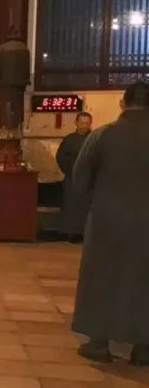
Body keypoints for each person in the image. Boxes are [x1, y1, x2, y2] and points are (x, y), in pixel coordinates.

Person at [71, 82, 149, 366]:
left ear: (122, 103)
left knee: (103, 277)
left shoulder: (102, 136)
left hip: (107, 220)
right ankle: (144, 347)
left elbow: (80, 179)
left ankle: (99, 343)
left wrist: (96, 204)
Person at [56, 111, 93, 243]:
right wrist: (71, 169)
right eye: (82, 123)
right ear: (76, 123)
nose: (84, 126)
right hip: (72, 178)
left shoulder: (95, 139)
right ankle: (70, 234)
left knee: (87, 208)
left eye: (87, 123)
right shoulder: (69, 139)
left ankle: (86, 234)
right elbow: (60, 157)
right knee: (71, 206)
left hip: (89, 180)